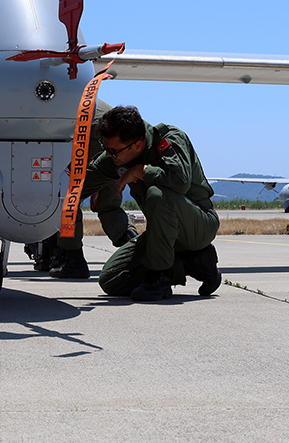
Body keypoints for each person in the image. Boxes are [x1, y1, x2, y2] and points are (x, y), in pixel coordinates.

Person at [83, 105, 221, 301]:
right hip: (163, 232)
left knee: (158, 195)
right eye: (106, 149)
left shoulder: (170, 140)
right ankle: (194, 262)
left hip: (198, 225)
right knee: (112, 280)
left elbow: (180, 181)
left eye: (113, 151)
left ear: (137, 146)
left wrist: (142, 171)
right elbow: (81, 184)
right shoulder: (119, 156)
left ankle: (159, 278)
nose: (109, 156)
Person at [25, 112, 137, 278]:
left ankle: (74, 260)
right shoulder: (88, 99)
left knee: (68, 198)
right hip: (115, 140)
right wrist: (97, 185)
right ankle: (136, 249)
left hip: (84, 135)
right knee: (109, 206)